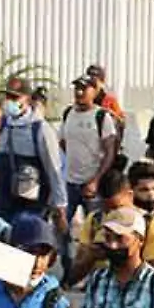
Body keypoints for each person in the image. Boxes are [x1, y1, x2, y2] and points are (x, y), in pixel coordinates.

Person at [60, 76, 123, 220]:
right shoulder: (68, 113)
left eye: (84, 89)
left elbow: (110, 152)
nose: (79, 92)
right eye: (77, 88)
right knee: (61, 226)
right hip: (70, 183)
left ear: (95, 92)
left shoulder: (101, 116)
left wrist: (95, 180)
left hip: (93, 186)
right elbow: (63, 143)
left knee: (95, 227)